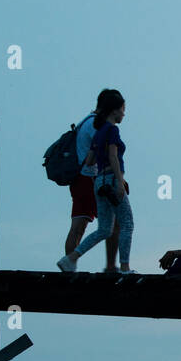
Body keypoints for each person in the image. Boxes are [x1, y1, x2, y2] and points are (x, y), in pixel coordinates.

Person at [58, 90, 133, 273]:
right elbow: (112, 155)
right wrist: (120, 180)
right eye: (123, 109)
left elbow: (90, 159)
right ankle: (119, 267)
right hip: (100, 179)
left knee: (97, 228)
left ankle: (70, 260)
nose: (124, 113)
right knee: (124, 224)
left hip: (90, 179)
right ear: (113, 109)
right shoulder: (105, 128)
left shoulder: (88, 124)